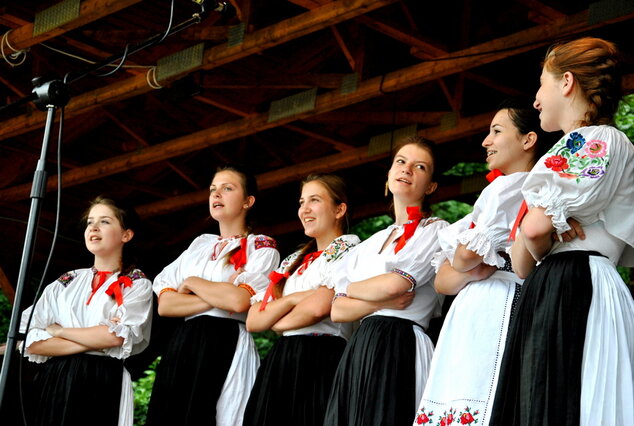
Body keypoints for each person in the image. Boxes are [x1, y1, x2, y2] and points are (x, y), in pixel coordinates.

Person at [490, 37, 634, 425]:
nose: (536, 99)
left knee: (556, 397)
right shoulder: (595, 145)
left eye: (542, 83)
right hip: (569, 281)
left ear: (566, 82)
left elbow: (530, 237)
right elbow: (524, 256)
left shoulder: (591, 140)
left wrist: (538, 223)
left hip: (572, 284)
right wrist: (543, 224)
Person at [413, 100, 553, 426]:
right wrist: (471, 269)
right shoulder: (507, 189)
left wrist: (466, 266)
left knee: (478, 393)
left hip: (497, 302)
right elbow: (443, 280)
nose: (485, 141)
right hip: (485, 300)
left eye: (496, 131)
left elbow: (462, 257)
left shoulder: (511, 186)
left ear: (528, 139)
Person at [323, 136, 448, 426]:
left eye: (420, 167)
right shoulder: (369, 244)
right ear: (389, 174)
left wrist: (355, 292)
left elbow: (395, 286)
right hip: (362, 343)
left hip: (400, 341)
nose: (407, 169)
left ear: (430, 186)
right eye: (401, 162)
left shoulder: (435, 229)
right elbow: (338, 310)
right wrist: (377, 297)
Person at [146, 164, 279, 426]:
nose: (216, 194)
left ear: (248, 201)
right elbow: (166, 304)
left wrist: (193, 282)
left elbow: (239, 302)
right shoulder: (199, 245)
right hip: (184, 342)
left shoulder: (261, 246)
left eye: (227, 188)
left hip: (226, 338)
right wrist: (220, 294)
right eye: (213, 190)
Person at [20, 196, 153, 426]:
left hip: (102, 379)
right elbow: (30, 338)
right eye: (90, 221)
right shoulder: (67, 281)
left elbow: (116, 336)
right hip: (56, 378)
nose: (93, 227)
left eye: (105, 221)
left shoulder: (137, 283)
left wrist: (58, 331)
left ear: (126, 235)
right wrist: (96, 338)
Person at [242, 174, 360, 426]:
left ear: (339, 209)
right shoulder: (292, 260)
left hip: (323, 357)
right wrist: (295, 299)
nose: (304, 209)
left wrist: (278, 319)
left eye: (314, 200)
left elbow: (319, 307)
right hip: (282, 359)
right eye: (301, 202)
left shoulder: (350, 249)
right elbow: (254, 320)